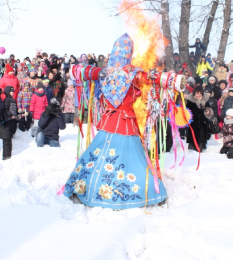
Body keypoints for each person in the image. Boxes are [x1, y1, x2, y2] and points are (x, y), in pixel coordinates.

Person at [63, 33, 185, 209]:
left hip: (108, 121)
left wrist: (77, 70)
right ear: (129, 53)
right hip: (127, 122)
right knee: (134, 160)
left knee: (98, 155)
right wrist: (172, 80)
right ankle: (143, 192)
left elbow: (80, 71)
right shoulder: (134, 74)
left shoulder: (103, 73)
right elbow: (154, 78)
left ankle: (87, 187)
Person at [186, 85, 211, 152]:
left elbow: (209, 108)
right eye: (197, 93)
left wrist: (208, 111)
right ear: (194, 93)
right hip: (193, 121)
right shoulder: (190, 100)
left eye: (200, 93)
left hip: (203, 121)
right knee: (193, 133)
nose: (198, 95)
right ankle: (192, 144)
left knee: (202, 133)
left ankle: (201, 145)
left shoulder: (205, 100)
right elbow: (187, 110)